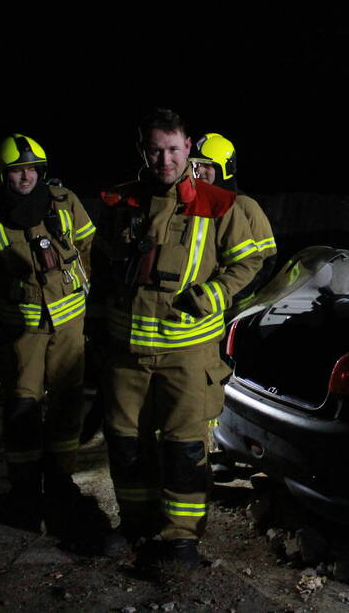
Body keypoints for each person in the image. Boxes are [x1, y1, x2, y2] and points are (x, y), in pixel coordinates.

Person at [96, 109, 269, 566]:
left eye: (173, 149)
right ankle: (134, 523)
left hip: (187, 352)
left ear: (187, 147)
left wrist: (213, 294)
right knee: (125, 442)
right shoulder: (119, 201)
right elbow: (102, 267)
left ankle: (181, 538)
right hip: (126, 354)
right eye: (156, 149)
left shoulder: (219, 203)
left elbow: (249, 261)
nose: (165, 159)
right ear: (142, 150)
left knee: (184, 447)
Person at [0, 135, 95, 530]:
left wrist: (94, 302)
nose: (25, 177)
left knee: (68, 403)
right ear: (3, 175)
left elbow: (91, 249)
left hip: (69, 325)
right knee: (22, 408)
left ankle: (61, 479)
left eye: (32, 169)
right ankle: (23, 489)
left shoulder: (65, 202)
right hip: (21, 331)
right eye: (17, 171)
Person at [189, 133, 276, 316]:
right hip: (201, 305)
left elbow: (266, 260)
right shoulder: (198, 204)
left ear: (224, 169)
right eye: (196, 165)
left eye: (207, 165)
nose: (199, 171)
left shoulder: (245, 206)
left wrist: (233, 299)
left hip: (232, 309)